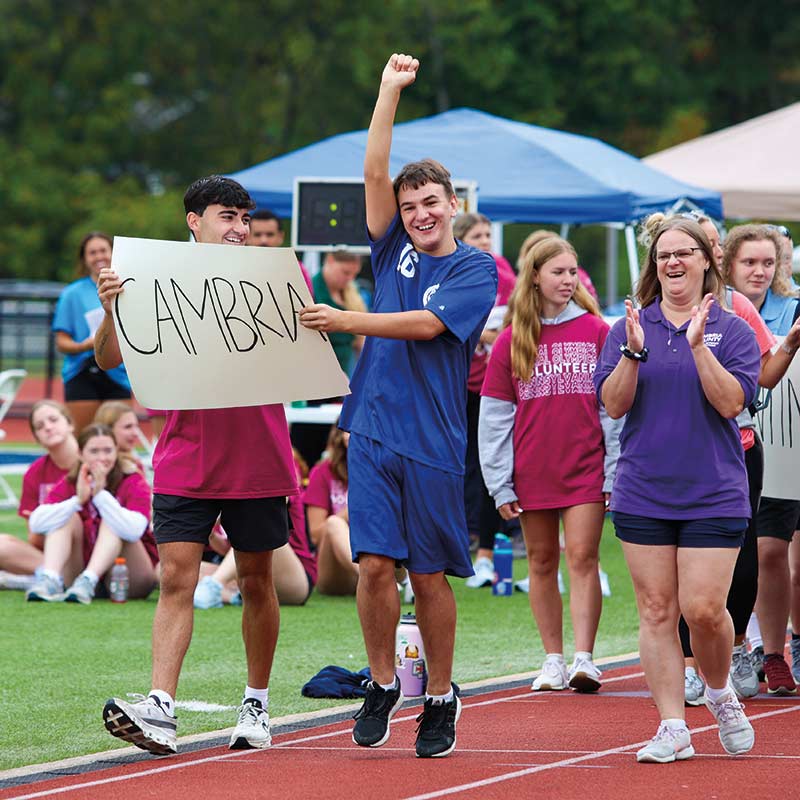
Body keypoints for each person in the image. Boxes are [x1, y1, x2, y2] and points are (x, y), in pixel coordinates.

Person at [298, 53, 496, 759]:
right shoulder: (391, 251)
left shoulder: (473, 268)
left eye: (430, 204)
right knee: (375, 565)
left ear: (452, 204)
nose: (418, 214)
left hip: (435, 441)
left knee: (429, 574)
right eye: (410, 207)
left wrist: (347, 322)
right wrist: (386, 90)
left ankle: (440, 696)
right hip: (373, 431)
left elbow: (426, 327)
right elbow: (375, 171)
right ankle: (383, 683)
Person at [94, 175, 298, 755]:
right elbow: (107, 356)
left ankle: (256, 703)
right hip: (185, 455)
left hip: (258, 455)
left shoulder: (273, 277)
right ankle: (160, 706)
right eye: (226, 217)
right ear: (194, 221)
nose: (238, 228)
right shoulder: (150, 275)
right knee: (175, 577)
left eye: (243, 218)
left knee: (257, 581)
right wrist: (112, 307)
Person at [594, 214, 761, 762]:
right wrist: (633, 352)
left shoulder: (732, 328)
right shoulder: (628, 328)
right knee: (657, 610)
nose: (673, 262)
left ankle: (718, 691)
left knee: (704, 609)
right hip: (643, 490)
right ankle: (672, 725)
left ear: (706, 261)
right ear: (653, 264)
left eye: (684, 253)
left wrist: (696, 347)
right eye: (664, 254)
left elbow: (732, 403)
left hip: (713, 492)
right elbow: (614, 405)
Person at [480, 236, 619, 693]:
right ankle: (553, 660)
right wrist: (500, 483)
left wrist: (613, 468)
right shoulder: (510, 341)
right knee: (540, 561)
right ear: (535, 277)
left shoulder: (598, 331)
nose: (568, 280)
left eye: (572, 272)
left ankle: (584, 658)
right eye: (558, 272)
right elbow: (495, 417)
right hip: (531, 471)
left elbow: (611, 408)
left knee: (582, 557)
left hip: (585, 467)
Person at [662, 212, 786, 704]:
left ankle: (734, 646)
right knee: (671, 574)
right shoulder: (653, 312)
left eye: (707, 246)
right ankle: (690, 664)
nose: (705, 254)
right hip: (673, 459)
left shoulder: (737, 315)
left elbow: (760, 381)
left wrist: (790, 347)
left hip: (737, 450)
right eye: (700, 246)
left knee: (743, 562)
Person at [723, 223, 800, 696]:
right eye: (749, 262)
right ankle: (764, 650)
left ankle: (787, 645)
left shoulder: (792, 308)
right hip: (751, 449)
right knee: (762, 551)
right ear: (729, 263)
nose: (759, 271)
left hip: (791, 446)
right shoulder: (723, 309)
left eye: (767, 263)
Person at [452, 213, 518, 588]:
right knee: (455, 466)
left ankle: (487, 554)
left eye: (489, 234)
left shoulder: (505, 276)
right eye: (477, 235)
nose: (486, 240)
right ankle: (456, 547)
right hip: (453, 386)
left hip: (490, 388)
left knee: (487, 466)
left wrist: (494, 335)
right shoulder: (452, 272)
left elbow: (514, 325)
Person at [25, 424, 158, 604]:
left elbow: (134, 531)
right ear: (80, 454)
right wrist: (77, 501)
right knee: (66, 517)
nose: (102, 457)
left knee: (112, 520)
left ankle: (89, 579)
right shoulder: (72, 482)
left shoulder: (133, 480)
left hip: (129, 577)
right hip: (77, 573)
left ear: (116, 451)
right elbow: (36, 523)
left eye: (108, 450)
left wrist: (100, 495)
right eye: (94, 451)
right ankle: (50, 579)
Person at [53, 232, 132, 433]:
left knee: (119, 439)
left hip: (118, 373)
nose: (99, 256)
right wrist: (88, 344)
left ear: (113, 252)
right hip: (82, 371)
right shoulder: (72, 294)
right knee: (84, 437)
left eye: (103, 250)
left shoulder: (127, 286)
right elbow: (61, 342)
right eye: (92, 253)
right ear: (85, 259)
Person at [0, 400, 80, 586]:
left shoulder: (93, 460)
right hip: (52, 552)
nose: (48, 427)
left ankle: (33, 579)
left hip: (91, 552)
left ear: (70, 424)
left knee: (67, 517)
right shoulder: (35, 473)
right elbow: (34, 537)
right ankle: (51, 575)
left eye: (53, 419)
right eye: (40, 426)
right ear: (36, 438)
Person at [303, 425, 358, 595]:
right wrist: (353, 509)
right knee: (334, 523)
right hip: (336, 570)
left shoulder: (382, 470)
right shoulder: (323, 472)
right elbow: (316, 535)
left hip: (377, 556)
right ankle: (371, 578)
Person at [312, 251, 367, 376]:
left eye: (354, 274)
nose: (350, 279)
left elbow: (361, 341)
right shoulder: (311, 292)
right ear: (330, 260)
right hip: (318, 374)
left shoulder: (353, 295)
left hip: (346, 371)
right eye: (345, 272)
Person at [248, 209, 314, 295]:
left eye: (270, 234)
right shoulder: (236, 268)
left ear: (281, 237)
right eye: (257, 234)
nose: (263, 240)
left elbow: (308, 305)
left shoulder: (296, 269)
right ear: (247, 236)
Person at [93, 401, 145, 471]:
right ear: (108, 430)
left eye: (136, 426)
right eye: (128, 427)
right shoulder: (98, 466)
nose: (136, 433)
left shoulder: (134, 460)